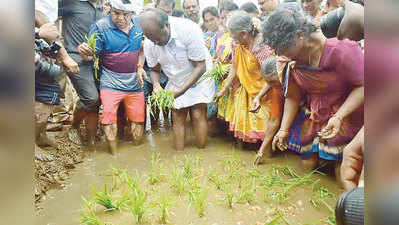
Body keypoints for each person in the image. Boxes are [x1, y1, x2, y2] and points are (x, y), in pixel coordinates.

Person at [262, 9, 364, 178]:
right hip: (316, 114)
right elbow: (293, 96)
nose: (279, 54)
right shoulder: (288, 59)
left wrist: (339, 117)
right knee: (307, 165)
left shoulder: (340, 49)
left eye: (282, 48)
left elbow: (363, 86)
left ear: (300, 35)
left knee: (344, 170)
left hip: (348, 113)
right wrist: (283, 130)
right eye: (276, 49)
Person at [78, 0, 147, 154]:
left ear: (132, 14)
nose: (121, 18)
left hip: (135, 82)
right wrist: (84, 52)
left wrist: (140, 67)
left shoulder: (139, 25)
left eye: (126, 15)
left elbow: (143, 48)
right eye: (116, 13)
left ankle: (136, 155)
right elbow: (91, 57)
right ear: (110, 10)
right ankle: (114, 156)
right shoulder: (100, 28)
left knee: (138, 120)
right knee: (109, 119)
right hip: (110, 81)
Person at [140, 8, 215, 151]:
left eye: (158, 38)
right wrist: (156, 85)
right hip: (176, 77)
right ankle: (179, 156)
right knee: (178, 114)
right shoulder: (150, 41)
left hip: (199, 75)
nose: (155, 42)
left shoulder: (188, 29)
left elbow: (200, 66)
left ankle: (201, 152)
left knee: (198, 113)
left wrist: (181, 91)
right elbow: (154, 69)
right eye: (151, 39)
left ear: (167, 26)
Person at [215, 11, 282, 145]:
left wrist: (258, 96)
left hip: (266, 92)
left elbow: (272, 77)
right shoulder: (236, 44)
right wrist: (223, 91)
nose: (231, 39)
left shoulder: (263, 48)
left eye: (233, 36)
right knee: (243, 130)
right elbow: (235, 67)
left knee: (264, 129)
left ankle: (265, 154)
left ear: (244, 34)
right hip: (245, 90)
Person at [59, 0, 104, 147]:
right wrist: (61, 53)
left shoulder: (101, 8)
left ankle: (90, 138)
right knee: (91, 98)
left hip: (97, 61)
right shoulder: (70, 3)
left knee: (96, 101)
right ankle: (74, 126)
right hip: (75, 59)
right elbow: (48, 16)